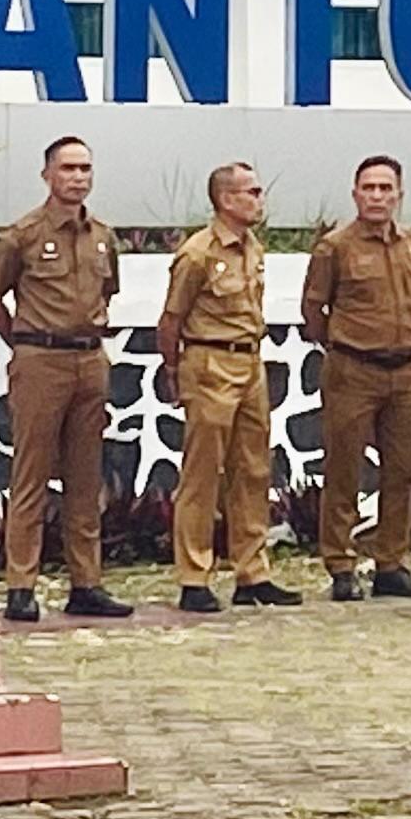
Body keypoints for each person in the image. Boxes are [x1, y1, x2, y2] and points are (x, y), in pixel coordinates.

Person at [0, 134, 136, 622]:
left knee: (85, 478)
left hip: (89, 360)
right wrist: (24, 345)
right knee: (32, 474)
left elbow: (107, 293)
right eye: (68, 168)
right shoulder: (23, 235)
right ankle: (21, 586)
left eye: (85, 168)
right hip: (40, 361)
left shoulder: (102, 236)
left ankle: (86, 583)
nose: (77, 178)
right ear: (47, 175)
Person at [156, 160, 303, 614]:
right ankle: (194, 575)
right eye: (250, 192)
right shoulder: (198, 253)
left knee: (253, 469)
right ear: (225, 199)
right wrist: (174, 370)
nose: (259, 200)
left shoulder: (252, 248)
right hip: (209, 360)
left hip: (249, 360)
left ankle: (252, 572)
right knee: (203, 473)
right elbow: (171, 320)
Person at [302, 155, 411, 599]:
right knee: (345, 469)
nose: (377, 196)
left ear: (399, 194)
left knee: (401, 470)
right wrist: (341, 346)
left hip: (404, 370)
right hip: (353, 369)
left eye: (386, 188)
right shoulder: (335, 247)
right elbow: (313, 308)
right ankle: (341, 565)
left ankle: (391, 564)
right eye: (369, 188)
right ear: (355, 193)